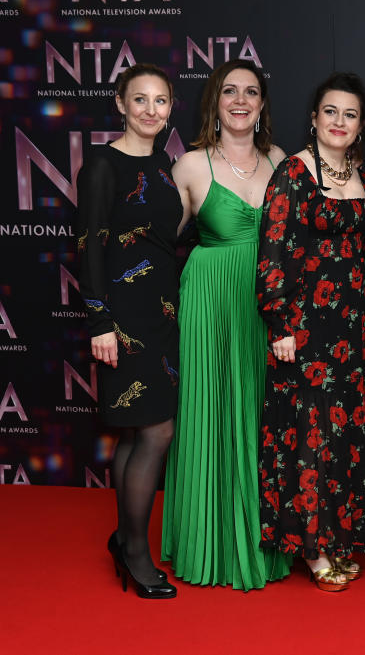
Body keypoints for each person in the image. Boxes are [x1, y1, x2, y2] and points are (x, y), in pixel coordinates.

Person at [161, 59, 291, 590]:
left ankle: (261, 542)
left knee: (260, 418)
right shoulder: (190, 166)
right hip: (211, 303)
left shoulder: (281, 161)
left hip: (265, 305)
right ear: (215, 102)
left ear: (262, 105)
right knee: (212, 416)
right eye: (230, 92)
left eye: (251, 92)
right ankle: (208, 542)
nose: (241, 100)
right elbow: (158, 241)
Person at [256, 72, 365, 592]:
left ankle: (341, 537)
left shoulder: (361, 173)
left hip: (351, 329)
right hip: (303, 329)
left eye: (349, 114)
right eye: (330, 111)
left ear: (360, 125)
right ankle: (313, 545)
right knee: (309, 434)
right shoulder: (292, 171)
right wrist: (279, 324)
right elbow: (272, 253)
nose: (339, 122)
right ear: (313, 117)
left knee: (344, 436)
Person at [76, 63, 181, 598]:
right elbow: (89, 245)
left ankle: (124, 539)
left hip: (163, 316)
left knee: (136, 431)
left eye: (160, 102)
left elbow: (166, 241)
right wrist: (100, 321)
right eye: (140, 100)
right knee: (157, 431)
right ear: (120, 103)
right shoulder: (102, 163)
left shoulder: (165, 164)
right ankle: (136, 552)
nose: (151, 111)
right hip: (121, 317)